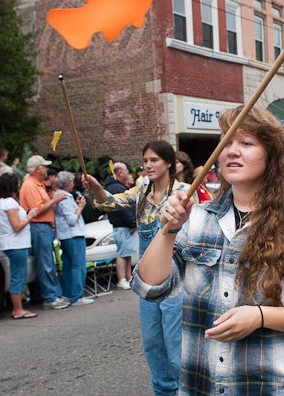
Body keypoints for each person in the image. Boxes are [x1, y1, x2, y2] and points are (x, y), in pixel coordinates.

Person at [134, 106, 284, 394]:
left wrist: (260, 316)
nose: (232, 151)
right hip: (202, 385)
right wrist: (168, 229)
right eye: (227, 141)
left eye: (246, 143)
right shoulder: (197, 219)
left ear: (271, 155)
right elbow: (150, 287)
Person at [84, 140, 191, 396]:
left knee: (177, 344)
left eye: (154, 160)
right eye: (145, 161)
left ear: (168, 162)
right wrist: (97, 188)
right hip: (146, 278)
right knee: (153, 342)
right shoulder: (142, 189)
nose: (148, 165)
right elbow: (109, 203)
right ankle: (163, 391)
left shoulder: (186, 191)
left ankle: (186, 390)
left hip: (176, 279)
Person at [20, 155, 69, 310]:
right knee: (45, 263)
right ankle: (50, 297)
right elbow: (37, 210)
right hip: (39, 226)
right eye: (44, 166)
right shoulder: (30, 185)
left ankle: (52, 294)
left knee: (47, 262)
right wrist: (55, 200)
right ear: (38, 169)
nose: (46, 169)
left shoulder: (37, 184)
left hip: (43, 227)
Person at [0, 173, 38, 319]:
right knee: (19, 275)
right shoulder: (10, 203)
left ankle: (18, 307)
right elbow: (17, 226)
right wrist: (30, 217)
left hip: (11, 243)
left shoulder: (0, 202)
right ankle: (18, 309)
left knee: (17, 274)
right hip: (16, 244)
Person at [53, 172, 93, 306]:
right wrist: (80, 206)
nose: (72, 185)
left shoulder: (57, 195)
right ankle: (77, 296)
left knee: (68, 265)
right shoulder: (65, 197)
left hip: (64, 236)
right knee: (78, 265)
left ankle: (68, 294)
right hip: (74, 234)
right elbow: (72, 220)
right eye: (71, 182)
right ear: (67, 184)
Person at [106, 162, 139, 290]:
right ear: (120, 173)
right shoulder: (117, 188)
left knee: (127, 253)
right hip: (122, 225)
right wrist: (132, 222)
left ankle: (128, 277)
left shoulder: (117, 187)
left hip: (123, 225)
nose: (128, 172)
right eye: (126, 170)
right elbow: (124, 209)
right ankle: (122, 279)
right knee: (122, 254)